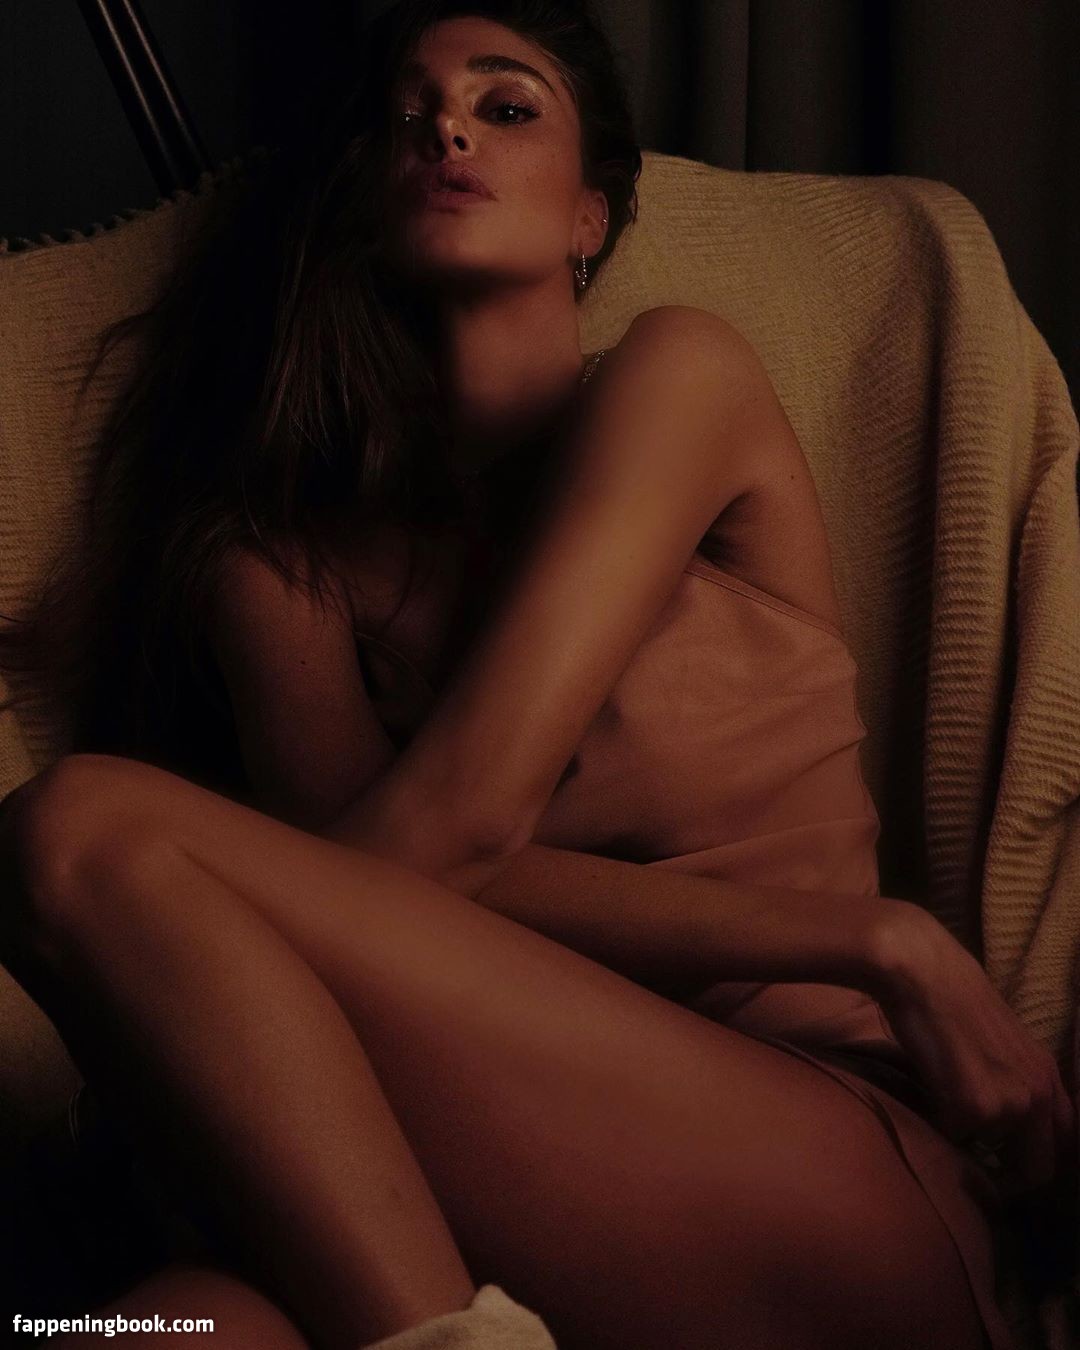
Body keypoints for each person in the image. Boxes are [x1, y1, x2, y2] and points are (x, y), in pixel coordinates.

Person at [0, 1, 1071, 1347]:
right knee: (140, 1336)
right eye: (407, 118)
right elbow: (380, 891)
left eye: (504, 107)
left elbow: (417, 851)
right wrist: (878, 938)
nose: (446, 129)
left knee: (77, 833)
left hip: (819, 1155)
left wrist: (872, 945)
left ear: (590, 216)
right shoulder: (278, 567)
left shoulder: (681, 378)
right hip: (467, 1231)